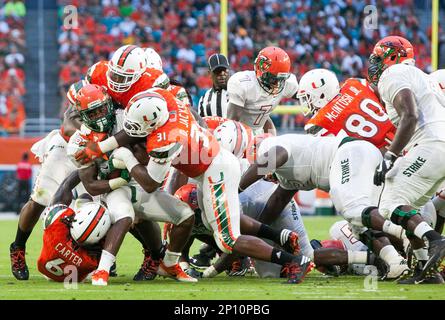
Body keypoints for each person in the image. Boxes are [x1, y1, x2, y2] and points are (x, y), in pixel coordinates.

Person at [74, 87, 313, 284]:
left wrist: (126, 157)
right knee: (215, 224)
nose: (130, 130)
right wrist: (97, 149)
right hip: (211, 164)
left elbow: (149, 184)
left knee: (227, 239)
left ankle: (293, 261)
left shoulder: (164, 141)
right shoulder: (166, 101)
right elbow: (132, 132)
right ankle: (171, 262)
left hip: (214, 172)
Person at [239, 133, 409, 279]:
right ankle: (396, 261)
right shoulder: (286, 173)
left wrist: (237, 189)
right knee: (359, 225)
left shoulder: (270, 146)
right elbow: (276, 203)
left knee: (352, 210)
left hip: (349, 153)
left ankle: (405, 233)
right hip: (359, 154)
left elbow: (277, 155)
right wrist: (257, 232)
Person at [363, 35, 445, 283]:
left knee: (389, 203)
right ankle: (425, 270)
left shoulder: (393, 73)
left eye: (378, 58)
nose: (375, 64)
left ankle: (435, 240)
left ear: (393, 57)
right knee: (411, 208)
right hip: (437, 145)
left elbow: (410, 115)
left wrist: (390, 156)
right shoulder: (421, 76)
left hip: (431, 145)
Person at [9, 80, 88, 281]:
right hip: (65, 146)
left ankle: (97, 255)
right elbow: (69, 127)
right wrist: (96, 135)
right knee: (40, 199)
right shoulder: (82, 94)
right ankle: (18, 247)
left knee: (95, 205)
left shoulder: (113, 96)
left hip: (92, 152)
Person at [37, 171, 111, 283]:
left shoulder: (56, 226)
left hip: (44, 268)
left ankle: (81, 210)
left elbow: (66, 185)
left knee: (83, 199)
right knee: (106, 215)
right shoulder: (91, 261)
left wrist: (84, 168)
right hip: (75, 277)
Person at [226, 46, 299, 136]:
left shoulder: (288, 83)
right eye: (273, 79)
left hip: (262, 129)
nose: (276, 84)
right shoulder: (243, 84)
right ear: (260, 69)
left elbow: (307, 97)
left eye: (280, 79)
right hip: (239, 132)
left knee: (277, 148)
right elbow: (231, 123)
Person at [198, 53, 230, 118]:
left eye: (224, 70)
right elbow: (201, 125)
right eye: (217, 71)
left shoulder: (238, 92)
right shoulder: (203, 100)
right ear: (209, 73)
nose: (222, 74)